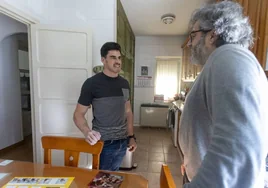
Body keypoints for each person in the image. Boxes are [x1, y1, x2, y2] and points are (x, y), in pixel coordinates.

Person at [179, 1, 268, 188]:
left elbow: (239, 146)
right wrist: (190, 162)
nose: (189, 43)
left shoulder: (229, 57)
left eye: (193, 35)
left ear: (213, 34)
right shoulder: (220, 62)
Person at [73, 42, 137, 171]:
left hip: (122, 141)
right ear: (103, 60)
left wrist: (131, 137)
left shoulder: (124, 83)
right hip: (103, 143)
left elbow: (128, 111)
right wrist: (87, 132)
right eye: (113, 57)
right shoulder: (92, 84)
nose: (117, 61)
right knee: (101, 179)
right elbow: (78, 115)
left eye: (119, 58)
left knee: (112, 176)